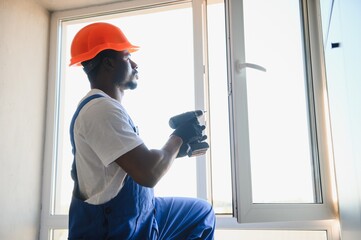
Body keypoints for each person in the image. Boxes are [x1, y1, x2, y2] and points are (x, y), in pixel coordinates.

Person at [67, 22, 215, 239]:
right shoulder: (100, 110)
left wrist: (177, 151)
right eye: (127, 57)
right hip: (113, 229)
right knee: (201, 214)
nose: (135, 65)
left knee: (201, 214)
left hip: (140, 215)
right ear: (108, 63)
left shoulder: (108, 109)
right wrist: (179, 136)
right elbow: (148, 173)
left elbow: (133, 165)